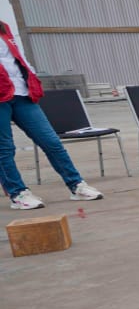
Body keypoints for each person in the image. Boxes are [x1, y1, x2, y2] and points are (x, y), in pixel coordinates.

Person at [0, 20, 103, 209]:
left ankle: (76, 185)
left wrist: (32, 79)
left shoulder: (4, 27)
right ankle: (18, 194)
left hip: (22, 93)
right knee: (4, 149)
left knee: (51, 142)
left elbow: (18, 57)